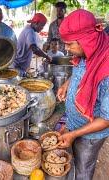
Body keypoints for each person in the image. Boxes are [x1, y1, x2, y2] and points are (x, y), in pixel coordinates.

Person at [56, 9, 109, 180]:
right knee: (73, 162)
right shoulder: (89, 52)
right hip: (74, 125)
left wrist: (73, 134)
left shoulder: (106, 70)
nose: (66, 48)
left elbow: (106, 119)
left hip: (90, 136)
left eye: (70, 44)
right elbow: (81, 72)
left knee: (83, 170)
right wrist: (67, 83)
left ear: (87, 41)